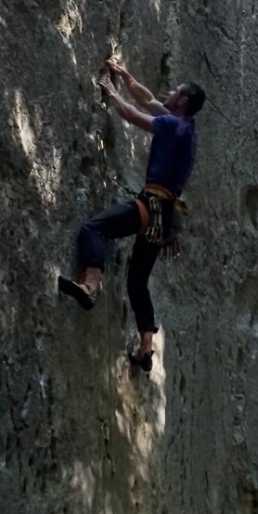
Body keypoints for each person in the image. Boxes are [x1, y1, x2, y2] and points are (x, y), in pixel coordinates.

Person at [58, 58, 206, 372]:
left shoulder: (170, 124)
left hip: (149, 207)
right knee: (137, 282)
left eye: (175, 90)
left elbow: (131, 113)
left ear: (182, 101)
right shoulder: (185, 128)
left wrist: (110, 91)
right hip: (164, 218)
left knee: (93, 229)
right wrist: (125, 77)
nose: (168, 91)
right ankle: (145, 349)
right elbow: (148, 99)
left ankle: (91, 284)